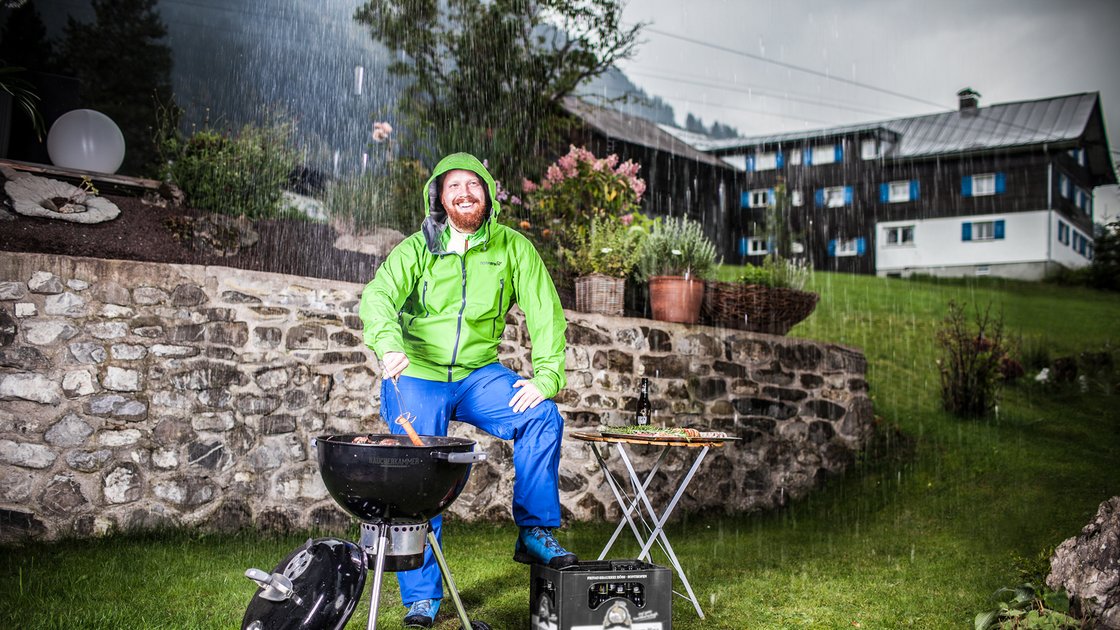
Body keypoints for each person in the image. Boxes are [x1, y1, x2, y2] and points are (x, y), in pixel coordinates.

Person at [359, 152, 577, 628]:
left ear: (488, 195)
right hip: (418, 372)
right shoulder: (418, 248)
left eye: (473, 185)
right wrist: (388, 342)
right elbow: (378, 296)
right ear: (438, 195)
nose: (463, 193)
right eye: (453, 185)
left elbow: (546, 313)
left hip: (479, 374)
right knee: (418, 467)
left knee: (542, 417)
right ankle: (421, 599)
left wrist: (545, 379)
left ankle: (535, 532)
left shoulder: (512, 248)